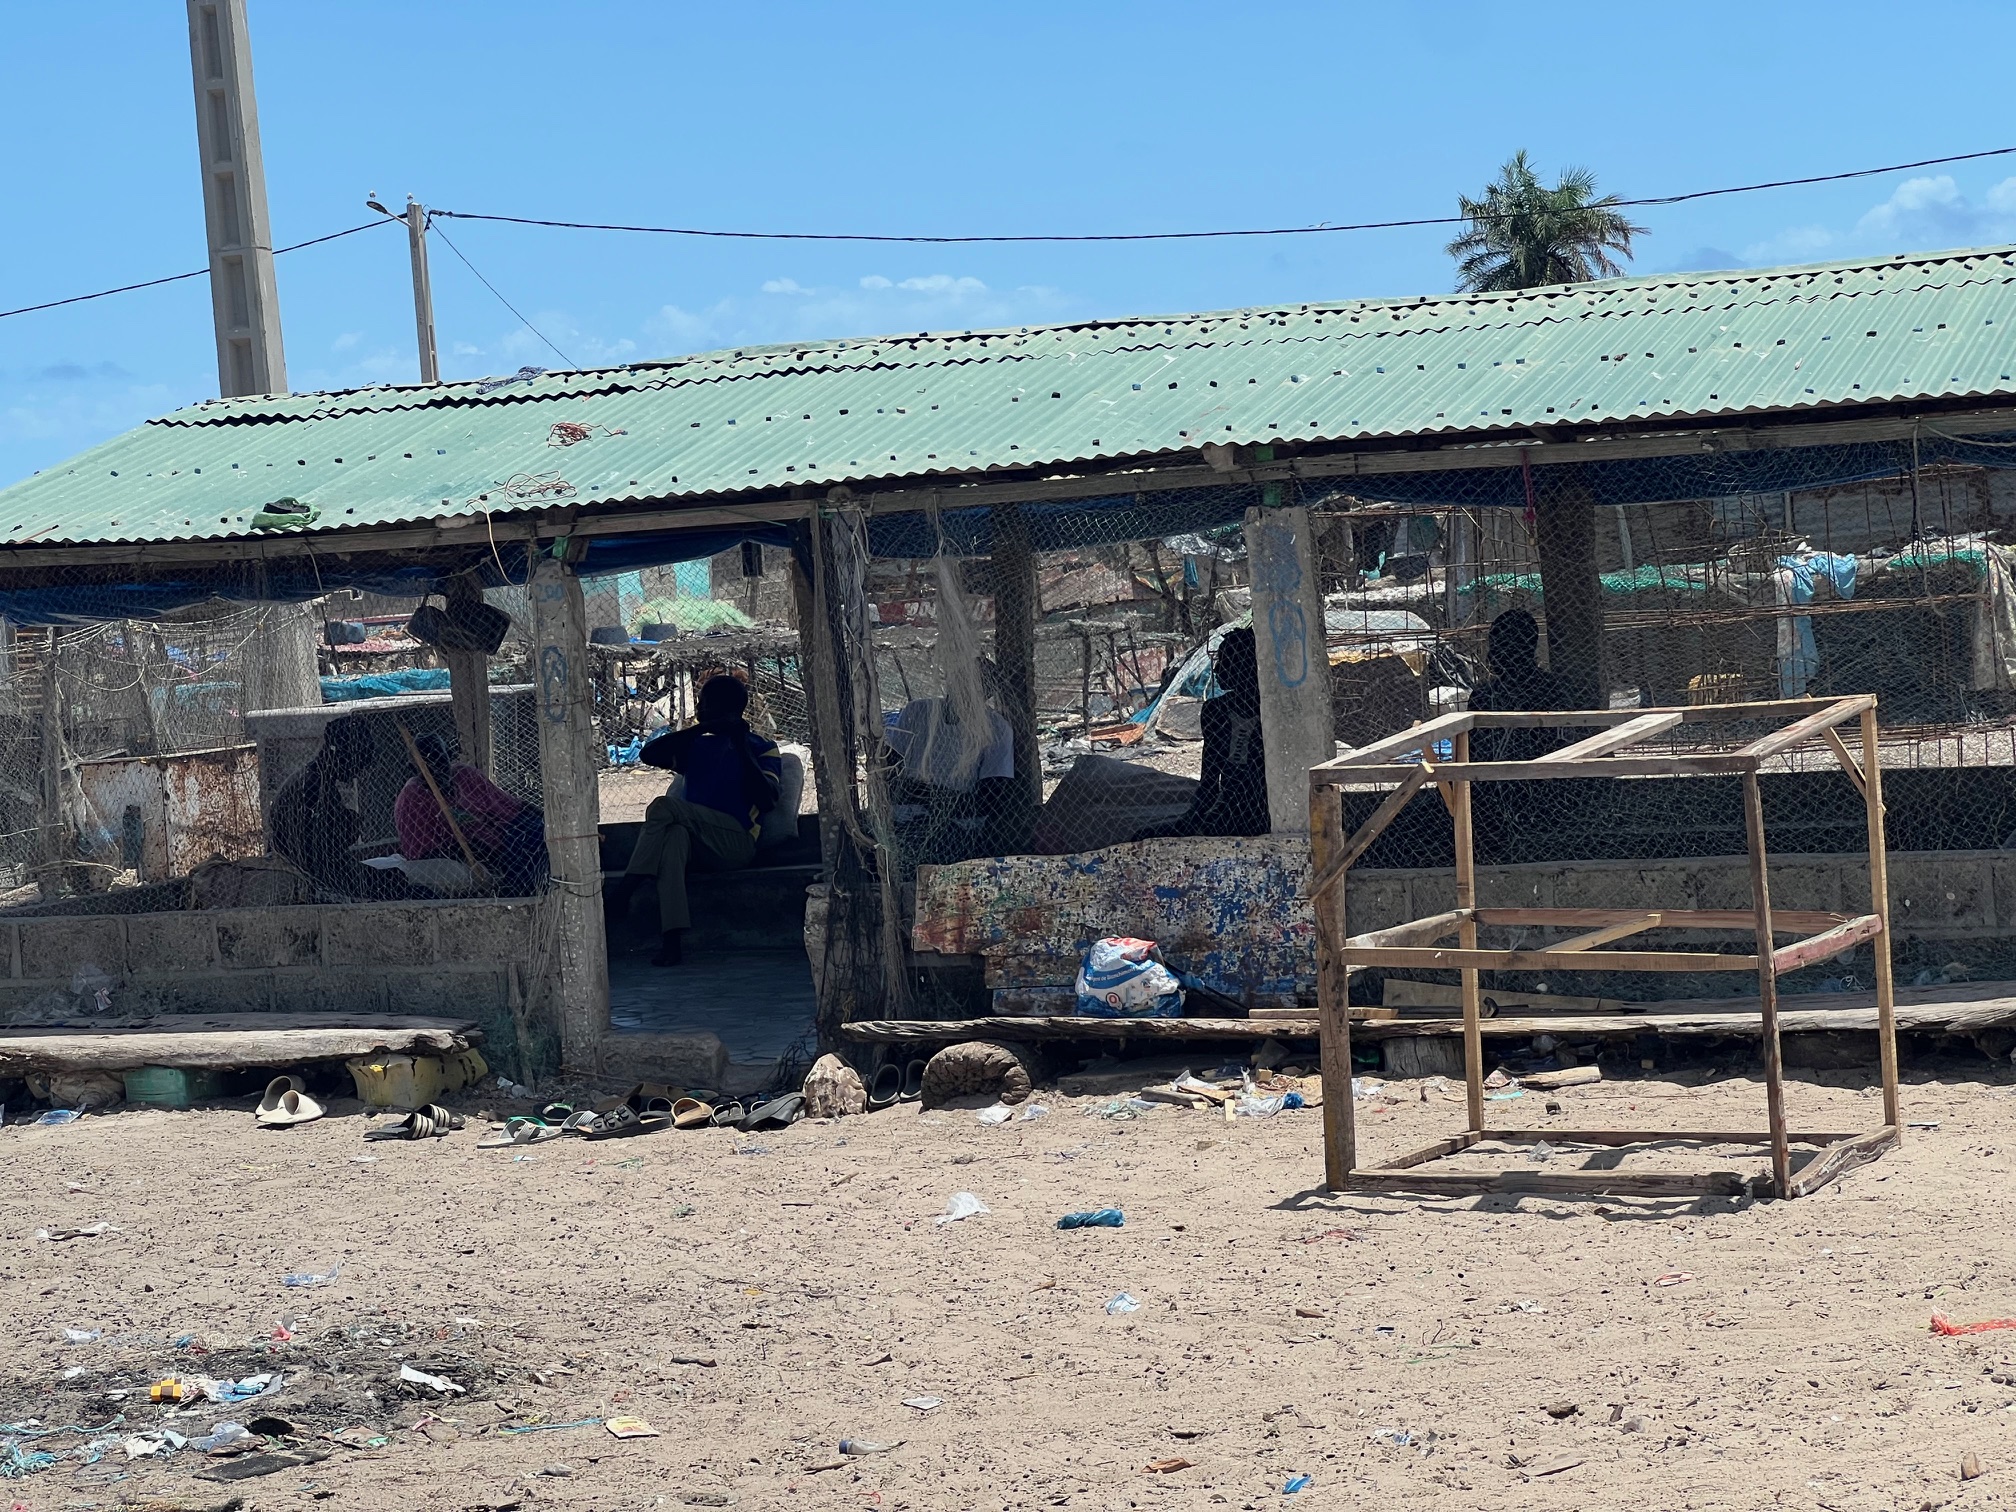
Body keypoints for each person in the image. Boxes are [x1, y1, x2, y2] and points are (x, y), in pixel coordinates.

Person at [620, 673, 783, 966]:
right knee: (673, 839)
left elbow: (768, 800)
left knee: (662, 807)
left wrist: (740, 744)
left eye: (705, 703)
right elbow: (648, 754)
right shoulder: (697, 746)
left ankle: (625, 890)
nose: (699, 707)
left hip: (737, 843)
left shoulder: (761, 746)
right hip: (699, 843)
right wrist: (702, 729)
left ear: (728, 709)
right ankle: (672, 941)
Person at [883, 661, 1026, 862]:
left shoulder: (996, 728)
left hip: (957, 827)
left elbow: (991, 799)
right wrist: (931, 796)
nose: (965, 690)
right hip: (903, 818)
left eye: (976, 686)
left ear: (987, 693)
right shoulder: (917, 712)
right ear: (950, 682)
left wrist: (929, 796)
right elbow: (889, 773)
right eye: (960, 681)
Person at [1139, 626, 1270, 838]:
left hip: (1265, 807)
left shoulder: (1274, 714)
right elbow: (1210, 779)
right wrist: (1194, 817)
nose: (1217, 670)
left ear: (1247, 666)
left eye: (1227, 661)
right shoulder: (1216, 710)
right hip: (1231, 808)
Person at [393, 732, 549, 895]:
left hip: (504, 838)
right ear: (413, 769)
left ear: (450, 755)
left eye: (441, 760)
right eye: (428, 766)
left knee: (537, 831)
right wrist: (474, 849)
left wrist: (548, 820)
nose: (436, 770)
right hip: (463, 854)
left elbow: (513, 806)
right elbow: (423, 852)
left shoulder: (465, 775)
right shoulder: (412, 798)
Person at [270, 715, 389, 896]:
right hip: (312, 878)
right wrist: (350, 824)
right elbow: (323, 848)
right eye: (356, 765)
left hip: (316, 872)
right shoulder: (313, 785)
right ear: (343, 757)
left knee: (392, 877)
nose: (356, 773)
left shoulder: (316, 780)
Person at [1466, 608, 1575, 762]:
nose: (1491, 655)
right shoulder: (1484, 695)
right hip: (1500, 779)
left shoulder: (1551, 690)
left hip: (1538, 776)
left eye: (1499, 648)